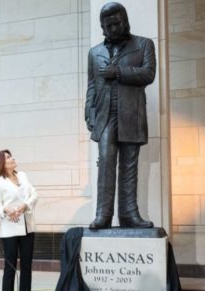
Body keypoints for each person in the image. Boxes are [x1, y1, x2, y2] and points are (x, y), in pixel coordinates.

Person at [85, 2, 155, 229]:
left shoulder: (144, 44)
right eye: (108, 25)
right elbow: (92, 86)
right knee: (105, 162)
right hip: (105, 115)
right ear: (102, 27)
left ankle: (129, 215)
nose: (113, 28)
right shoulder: (94, 52)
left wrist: (119, 72)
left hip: (131, 114)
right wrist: (89, 112)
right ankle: (103, 214)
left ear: (125, 21)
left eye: (117, 23)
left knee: (129, 165)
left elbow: (148, 73)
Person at [0, 150, 38, 291]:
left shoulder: (23, 175)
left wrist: (25, 205)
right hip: (9, 230)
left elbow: (34, 195)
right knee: (10, 271)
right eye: (8, 157)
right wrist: (6, 210)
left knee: (26, 269)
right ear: (1, 162)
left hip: (28, 227)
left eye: (11, 156)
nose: (13, 158)